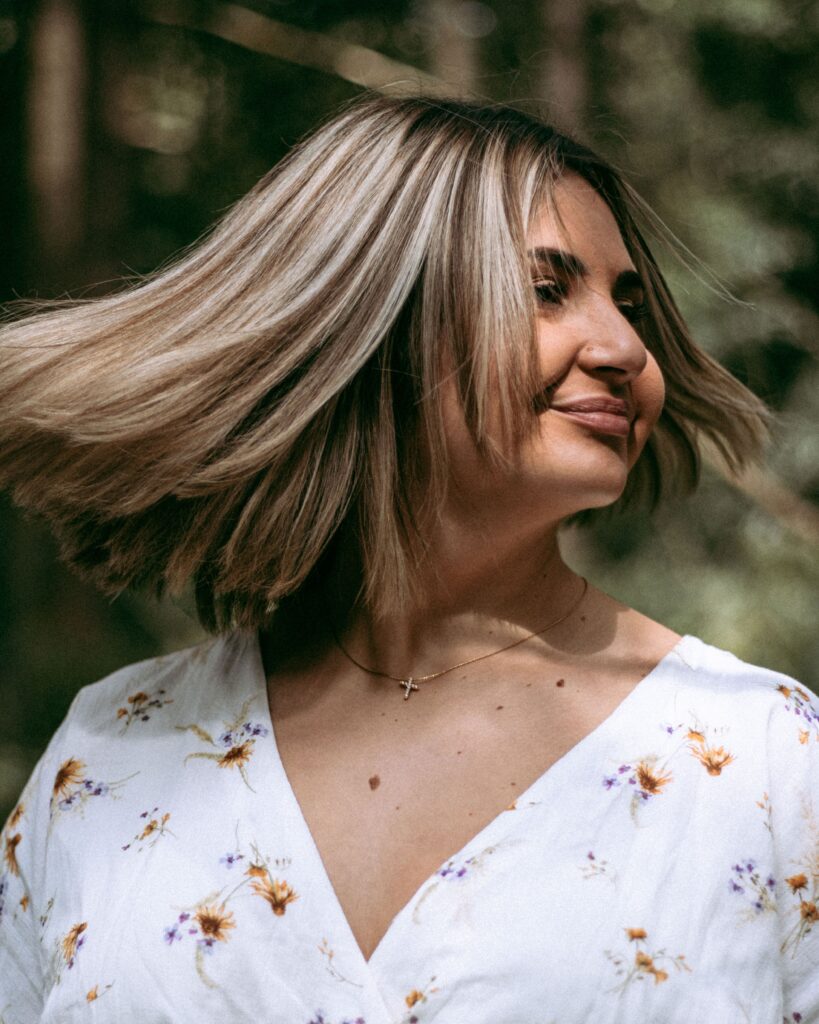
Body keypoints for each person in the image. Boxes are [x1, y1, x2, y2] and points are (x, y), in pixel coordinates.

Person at [0, 93, 816, 1023]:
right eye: (546, 290)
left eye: (628, 303)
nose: (626, 348)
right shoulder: (110, 758)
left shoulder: (762, 762)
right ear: (375, 319)